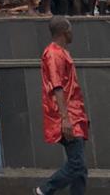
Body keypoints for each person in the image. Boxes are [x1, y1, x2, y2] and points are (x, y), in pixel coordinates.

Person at [33, 16, 89, 195]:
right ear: (65, 32)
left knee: (79, 168)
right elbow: (57, 87)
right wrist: (65, 119)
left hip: (75, 114)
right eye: (71, 30)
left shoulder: (62, 52)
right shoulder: (53, 54)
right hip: (66, 116)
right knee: (77, 165)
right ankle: (43, 190)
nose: (73, 33)